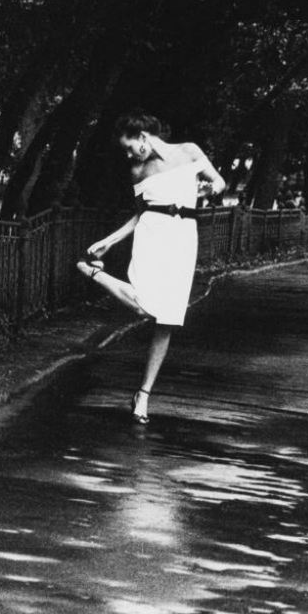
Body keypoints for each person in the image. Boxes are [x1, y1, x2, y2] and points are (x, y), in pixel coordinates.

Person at [76, 112, 226, 424]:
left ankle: (143, 394)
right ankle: (93, 272)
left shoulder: (189, 152)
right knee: (143, 306)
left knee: (167, 317)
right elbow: (139, 214)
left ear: (143, 136)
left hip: (184, 236)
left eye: (129, 147)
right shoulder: (138, 170)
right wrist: (108, 241)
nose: (128, 155)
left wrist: (207, 190)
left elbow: (219, 182)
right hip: (152, 233)